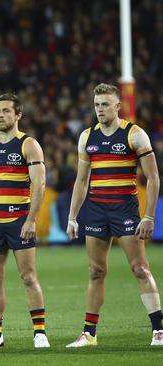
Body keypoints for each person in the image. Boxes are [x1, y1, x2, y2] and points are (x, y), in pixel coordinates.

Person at [65, 83, 163, 347]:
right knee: (96, 271)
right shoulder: (87, 137)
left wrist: (149, 216)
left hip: (125, 209)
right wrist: (73, 217)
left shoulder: (135, 135)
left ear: (118, 106)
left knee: (140, 269)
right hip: (96, 211)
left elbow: (153, 178)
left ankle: (159, 330)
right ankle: (89, 334)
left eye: (105, 104)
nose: (100, 109)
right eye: (97, 105)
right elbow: (81, 181)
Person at [0, 93, 50, 348]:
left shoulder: (29, 145)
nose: (0, 115)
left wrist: (31, 219)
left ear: (18, 115)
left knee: (28, 276)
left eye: (6, 111)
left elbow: (39, 184)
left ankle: (39, 333)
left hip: (19, 219)